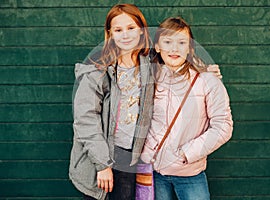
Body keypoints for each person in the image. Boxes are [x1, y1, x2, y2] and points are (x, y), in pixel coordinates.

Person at [69, 4, 222, 200]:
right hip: (99, 157)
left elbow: (176, 56)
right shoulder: (96, 70)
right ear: (110, 33)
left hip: (129, 157)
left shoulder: (150, 63)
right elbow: (85, 120)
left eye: (131, 28)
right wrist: (102, 165)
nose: (125, 35)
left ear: (141, 31)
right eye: (118, 30)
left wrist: (203, 70)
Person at [141, 17, 233, 200]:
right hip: (154, 173)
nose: (174, 49)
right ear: (158, 47)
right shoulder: (149, 78)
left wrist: (187, 153)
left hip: (189, 173)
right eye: (167, 42)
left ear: (190, 48)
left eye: (181, 42)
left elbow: (223, 127)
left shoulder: (207, 81)